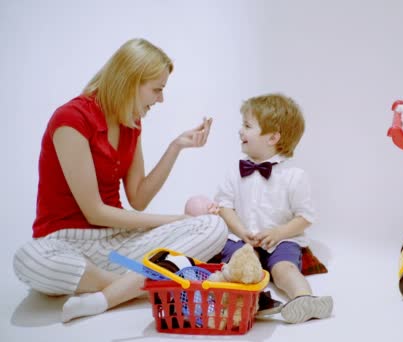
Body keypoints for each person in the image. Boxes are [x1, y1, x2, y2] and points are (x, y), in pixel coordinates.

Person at [12, 38, 228, 323]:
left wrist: (176, 146)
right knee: (29, 258)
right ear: (130, 81)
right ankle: (133, 286)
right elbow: (94, 212)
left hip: (117, 244)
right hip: (66, 243)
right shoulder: (71, 119)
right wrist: (177, 220)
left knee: (214, 226)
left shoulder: (131, 122)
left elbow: (138, 198)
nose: (161, 99)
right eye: (157, 89)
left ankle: (107, 295)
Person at [215, 93, 333, 324]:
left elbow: (305, 217)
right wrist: (241, 232)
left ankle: (304, 299)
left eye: (247, 126)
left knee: (284, 269)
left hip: (281, 239)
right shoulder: (234, 171)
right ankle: (255, 301)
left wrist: (278, 233)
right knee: (239, 267)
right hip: (240, 238)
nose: (240, 131)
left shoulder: (294, 176)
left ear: (272, 137)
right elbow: (224, 206)